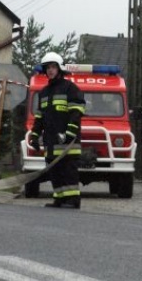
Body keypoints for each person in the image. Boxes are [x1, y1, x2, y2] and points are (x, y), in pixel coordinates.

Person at [28, 52, 86, 208]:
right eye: (48, 68)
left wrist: (70, 133)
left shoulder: (70, 88)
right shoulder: (44, 93)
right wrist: (34, 136)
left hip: (67, 142)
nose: (50, 70)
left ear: (59, 68)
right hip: (51, 141)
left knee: (68, 170)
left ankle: (73, 199)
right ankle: (59, 197)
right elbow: (39, 118)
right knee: (54, 171)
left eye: (53, 67)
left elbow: (77, 112)